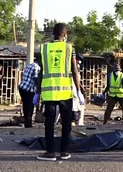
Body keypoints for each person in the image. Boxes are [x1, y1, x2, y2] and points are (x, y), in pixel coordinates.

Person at [34, 23, 84, 161]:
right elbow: (75, 70)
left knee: (49, 123)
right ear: (65, 34)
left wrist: (37, 92)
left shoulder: (44, 48)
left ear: (53, 35)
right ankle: (64, 151)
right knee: (66, 122)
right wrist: (78, 90)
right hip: (65, 92)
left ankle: (50, 152)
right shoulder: (69, 48)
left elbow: (41, 72)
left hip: (49, 92)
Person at [18, 59, 41, 128]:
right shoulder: (37, 67)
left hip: (22, 87)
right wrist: (39, 89)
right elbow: (36, 79)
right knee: (30, 107)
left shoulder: (29, 65)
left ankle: (26, 123)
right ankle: (28, 124)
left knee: (25, 106)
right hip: (28, 89)